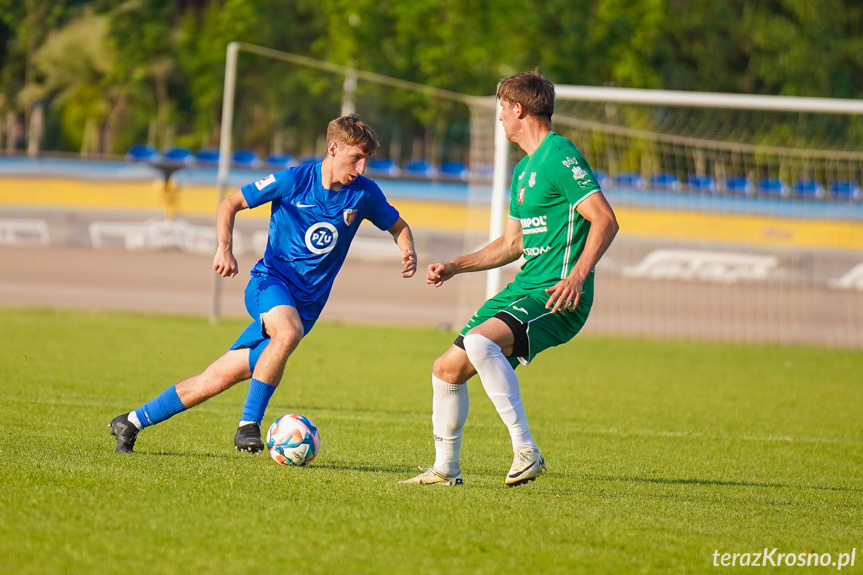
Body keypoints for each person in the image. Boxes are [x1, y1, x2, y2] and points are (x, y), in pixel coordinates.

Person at [109, 113, 417, 454]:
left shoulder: (364, 194)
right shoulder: (293, 180)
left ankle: (132, 422)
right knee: (287, 333)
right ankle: (248, 426)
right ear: (333, 148)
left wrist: (408, 250)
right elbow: (231, 203)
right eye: (355, 158)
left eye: (365, 161)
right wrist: (224, 248)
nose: (361, 168)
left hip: (307, 307)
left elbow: (398, 225)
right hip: (269, 284)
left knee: (217, 378)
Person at [400, 72, 619, 487]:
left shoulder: (559, 154)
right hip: (524, 288)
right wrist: (455, 266)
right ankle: (446, 469)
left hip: (557, 293)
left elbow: (605, 220)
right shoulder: (523, 172)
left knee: (481, 343)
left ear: (519, 109)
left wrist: (577, 275)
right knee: (446, 369)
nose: (499, 116)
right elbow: (512, 244)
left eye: (502, 107)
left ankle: (526, 450)